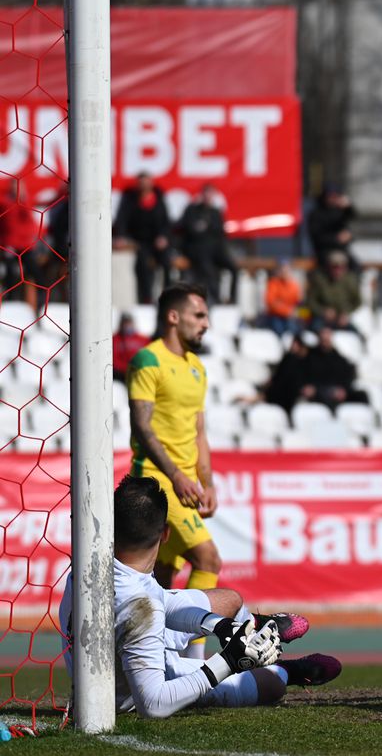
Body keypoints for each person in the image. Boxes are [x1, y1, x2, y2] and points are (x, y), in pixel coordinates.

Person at [58, 475, 340, 719]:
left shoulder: (91, 562)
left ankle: (249, 629)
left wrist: (218, 625)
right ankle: (287, 670)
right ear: (166, 534)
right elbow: (154, 704)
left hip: (126, 637)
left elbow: (162, 603)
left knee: (230, 601)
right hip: (129, 692)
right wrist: (228, 662)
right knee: (272, 684)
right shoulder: (141, 604)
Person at [126, 285, 223, 636]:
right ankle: (193, 662)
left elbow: (199, 432)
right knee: (208, 560)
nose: (206, 324)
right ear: (173, 316)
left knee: (164, 578)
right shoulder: (148, 360)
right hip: (157, 481)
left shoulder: (196, 367)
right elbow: (142, 424)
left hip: (186, 485)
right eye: (199, 315)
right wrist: (178, 477)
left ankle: (160, 656)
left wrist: (207, 482)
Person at [114, 172, 172, 304]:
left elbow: (166, 222)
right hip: (139, 242)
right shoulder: (130, 200)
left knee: (166, 262)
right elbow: (122, 219)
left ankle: (168, 295)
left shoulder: (159, 199)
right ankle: (147, 297)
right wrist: (121, 236)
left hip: (157, 241)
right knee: (143, 265)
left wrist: (163, 237)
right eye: (141, 183)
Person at [179, 184, 238, 304]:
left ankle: (232, 298)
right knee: (208, 270)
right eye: (206, 193)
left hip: (215, 250)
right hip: (198, 251)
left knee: (233, 268)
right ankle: (215, 298)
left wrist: (205, 228)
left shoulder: (216, 212)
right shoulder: (192, 210)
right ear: (202, 195)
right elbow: (189, 230)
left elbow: (220, 233)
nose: (208, 197)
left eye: (210, 194)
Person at [303, 327, 369, 410]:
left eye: (328, 336)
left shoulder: (338, 357)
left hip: (337, 390)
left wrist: (344, 389)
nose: (325, 339)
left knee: (361, 396)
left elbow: (348, 374)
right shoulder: (311, 356)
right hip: (320, 391)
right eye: (323, 336)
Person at [305, 251, 361, 331]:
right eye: (334, 267)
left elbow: (358, 301)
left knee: (357, 336)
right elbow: (310, 301)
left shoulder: (350, 280)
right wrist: (323, 311)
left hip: (342, 319)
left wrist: (346, 313)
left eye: (341, 267)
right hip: (323, 319)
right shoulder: (319, 279)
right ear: (328, 267)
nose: (338, 270)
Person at [305, 185, 357, 269]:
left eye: (336, 196)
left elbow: (351, 216)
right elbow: (317, 237)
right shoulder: (316, 214)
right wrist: (337, 238)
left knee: (355, 267)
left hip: (342, 251)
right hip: (324, 252)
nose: (333, 198)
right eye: (330, 196)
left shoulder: (339, 211)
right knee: (335, 265)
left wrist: (348, 207)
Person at [261, 261, 302, 336]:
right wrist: (287, 311)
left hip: (290, 317)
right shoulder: (273, 283)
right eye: (282, 270)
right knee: (279, 329)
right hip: (275, 316)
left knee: (296, 328)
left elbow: (298, 303)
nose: (284, 272)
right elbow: (271, 303)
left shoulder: (294, 285)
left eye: (287, 270)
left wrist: (298, 312)